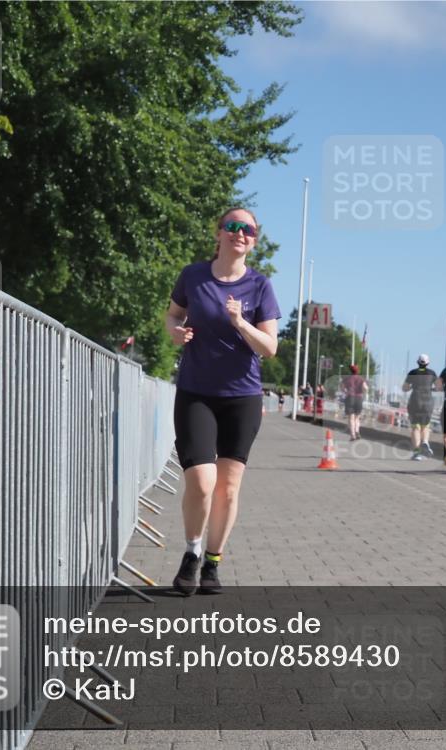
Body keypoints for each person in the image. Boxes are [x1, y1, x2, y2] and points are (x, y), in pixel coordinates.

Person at [165, 207, 281, 595]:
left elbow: (270, 348)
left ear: (254, 240)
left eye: (247, 229)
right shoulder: (193, 276)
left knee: (228, 488)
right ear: (218, 234)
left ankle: (213, 562)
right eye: (232, 226)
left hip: (242, 397)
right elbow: (173, 316)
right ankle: (192, 550)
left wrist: (241, 322)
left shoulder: (260, 287)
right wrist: (175, 334)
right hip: (196, 392)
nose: (239, 233)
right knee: (201, 481)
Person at [402, 354, 437, 460]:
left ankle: (417, 453)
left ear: (418, 362)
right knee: (425, 426)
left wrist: (412, 386)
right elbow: (439, 387)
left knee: (415, 427)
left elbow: (404, 388)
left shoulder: (412, 373)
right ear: (428, 363)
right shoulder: (432, 373)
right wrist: (431, 389)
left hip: (415, 401)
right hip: (427, 401)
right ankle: (425, 442)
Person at [341, 364, 367, 440]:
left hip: (350, 398)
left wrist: (346, 391)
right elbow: (365, 388)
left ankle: (352, 435)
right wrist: (363, 392)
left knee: (351, 418)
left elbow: (342, 388)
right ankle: (357, 431)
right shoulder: (361, 379)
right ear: (357, 371)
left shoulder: (347, 379)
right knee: (357, 417)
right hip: (359, 398)